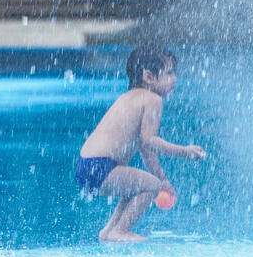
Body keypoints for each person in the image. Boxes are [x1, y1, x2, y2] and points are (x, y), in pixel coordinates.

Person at [76, 45, 206, 242]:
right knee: (149, 186)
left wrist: (163, 179)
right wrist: (184, 151)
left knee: (139, 184)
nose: (175, 79)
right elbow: (149, 141)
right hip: (101, 166)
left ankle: (109, 231)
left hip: (86, 166)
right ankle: (120, 231)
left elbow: (144, 148)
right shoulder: (152, 99)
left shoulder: (128, 97)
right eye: (169, 73)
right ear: (148, 77)